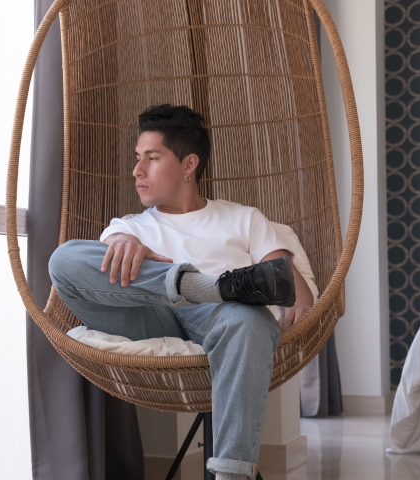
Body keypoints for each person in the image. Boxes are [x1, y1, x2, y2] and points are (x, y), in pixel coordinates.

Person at [48, 104, 315, 480]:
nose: (137, 170)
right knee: (63, 259)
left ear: (189, 164)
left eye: (152, 158)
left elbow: (287, 286)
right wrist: (124, 242)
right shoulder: (128, 226)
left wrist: (295, 317)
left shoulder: (244, 218)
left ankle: (231, 474)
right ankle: (207, 285)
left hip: (221, 318)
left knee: (250, 319)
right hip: (148, 313)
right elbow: (92, 271)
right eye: (137, 158)